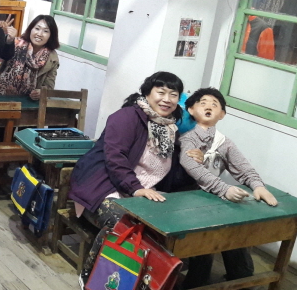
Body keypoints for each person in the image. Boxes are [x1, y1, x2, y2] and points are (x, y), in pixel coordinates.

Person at [69, 71, 200, 284]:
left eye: (173, 95)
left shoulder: (170, 129)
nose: (167, 99)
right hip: (104, 188)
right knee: (122, 223)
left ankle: (146, 280)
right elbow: (115, 159)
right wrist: (135, 188)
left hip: (144, 193)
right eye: (161, 92)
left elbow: (171, 176)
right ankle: (92, 278)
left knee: (172, 229)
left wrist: (192, 163)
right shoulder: (126, 117)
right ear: (147, 93)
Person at [179, 87, 277, 288]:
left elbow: (243, 167)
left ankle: (242, 280)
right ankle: (196, 283)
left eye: (215, 105)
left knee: (235, 232)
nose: (209, 107)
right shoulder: (187, 138)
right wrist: (224, 189)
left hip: (212, 200)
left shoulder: (224, 143)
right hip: (185, 201)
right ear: (191, 110)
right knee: (204, 240)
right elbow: (192, 167)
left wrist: (258, 185)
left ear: (222, 114)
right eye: (203, 103)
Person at [0, 14, 59, 99]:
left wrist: (40, 93)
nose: (39, 34)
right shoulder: (15, 44)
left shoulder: (52, 57)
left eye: (45, 31)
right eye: (37, 28)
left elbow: (49, 87)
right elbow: (2, 54)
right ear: (30, 29)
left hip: (29, 101)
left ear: (51, 35)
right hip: (1, 96)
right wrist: (7, 39)